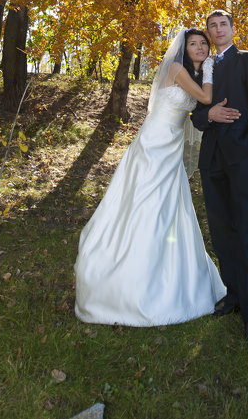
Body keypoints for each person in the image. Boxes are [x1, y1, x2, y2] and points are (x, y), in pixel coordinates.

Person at [74, 29, 226, 326]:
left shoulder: (191, 75)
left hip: (172, 147)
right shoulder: (177, 69)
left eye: (203, 44)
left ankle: (173, 276)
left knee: (172, 209)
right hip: (154, 145)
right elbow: (206, 98)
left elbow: (200, 111)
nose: (199, 47)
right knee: (147, 205)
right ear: (185, 49)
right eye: (194, 44)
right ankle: (130, 283)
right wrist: (210, 68)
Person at [191, 10, 248, 347]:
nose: (218, 29)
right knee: (222, 232)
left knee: (247, 231)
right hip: (211, 161)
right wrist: (208, 114)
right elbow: (195, 116)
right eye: (212, 25)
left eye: (223, 24)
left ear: (233, 29)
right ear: (209, 32)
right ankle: (234, 295)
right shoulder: (202, 67)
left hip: (240, 158)